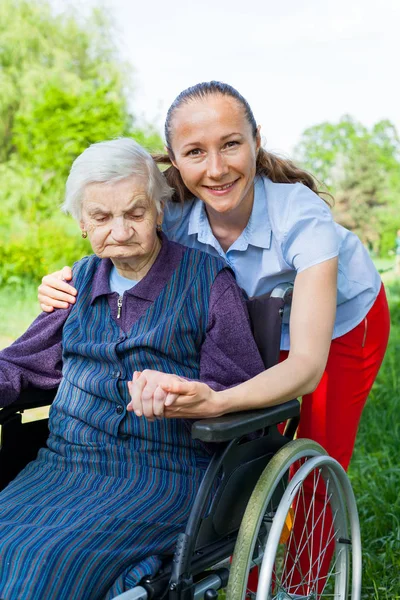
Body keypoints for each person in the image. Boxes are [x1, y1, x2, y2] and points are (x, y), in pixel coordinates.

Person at [38, 81, 390, 592]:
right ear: (175, 164)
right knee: (249, 453)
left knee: (312, 453)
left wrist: (216, 402)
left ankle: (303, 583)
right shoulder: (171, 213)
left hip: (337, 326)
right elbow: (114, 238)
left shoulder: (300, 218)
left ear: (256, 141)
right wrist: (65, 280)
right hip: (249, 319)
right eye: (196, 152)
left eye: (231, 144)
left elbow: (307, 367)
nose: (217, 168)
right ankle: (243, 559)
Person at [0, 138, 265, 600]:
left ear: (160, 211)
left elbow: (237, 385)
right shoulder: (74, 285)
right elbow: (23, 364)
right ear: (82, 223)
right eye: (101, 217)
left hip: (164, 475)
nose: (119, 231)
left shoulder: (208, 281)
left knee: (44, 561)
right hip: (63, 467)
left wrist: (186, 393)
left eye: (135, 213)